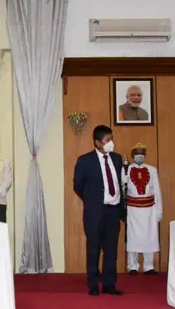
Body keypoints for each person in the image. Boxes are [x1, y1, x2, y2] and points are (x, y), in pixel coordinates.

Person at [73, 125, 124, 296]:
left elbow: (119, 184)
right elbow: (78, 185)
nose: (111, 143)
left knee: (111, 250)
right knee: (94, 248)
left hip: (113, 211)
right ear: (97, 142)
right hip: (95, 212)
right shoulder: (85, 161)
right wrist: (92, 200)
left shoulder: (117, 159)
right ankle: (93, 284)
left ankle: (110, 284)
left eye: (112, 139)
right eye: (107, 140)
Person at [123, 142, 162, 275]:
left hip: (149, 209)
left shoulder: (152, 170)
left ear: (145, 155)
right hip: (133, 209)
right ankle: (132, 265)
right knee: (132, 238)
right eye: (136, 153)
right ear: (133, 155)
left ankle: (148, 266)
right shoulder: (126, 169)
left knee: (149, 237)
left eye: (142, 153)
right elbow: (123, 187)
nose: (139, 155)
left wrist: (158, 211)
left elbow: (157, 191)